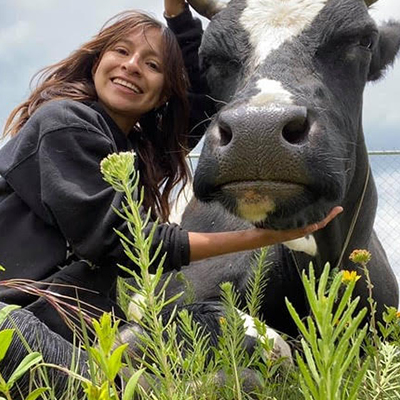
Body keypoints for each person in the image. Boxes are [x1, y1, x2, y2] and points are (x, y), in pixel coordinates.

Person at [0, 0, 342, 343]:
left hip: (73, 324)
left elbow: (204, 97)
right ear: (96, 62)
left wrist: (178, 16)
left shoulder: (139, 151)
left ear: (164, 93)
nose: (132, 66)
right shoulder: (62, 124)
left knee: (210, 321)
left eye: (152, 65)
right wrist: (260, 239)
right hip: (14, 315)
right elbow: (124, 242)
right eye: (121, 51)